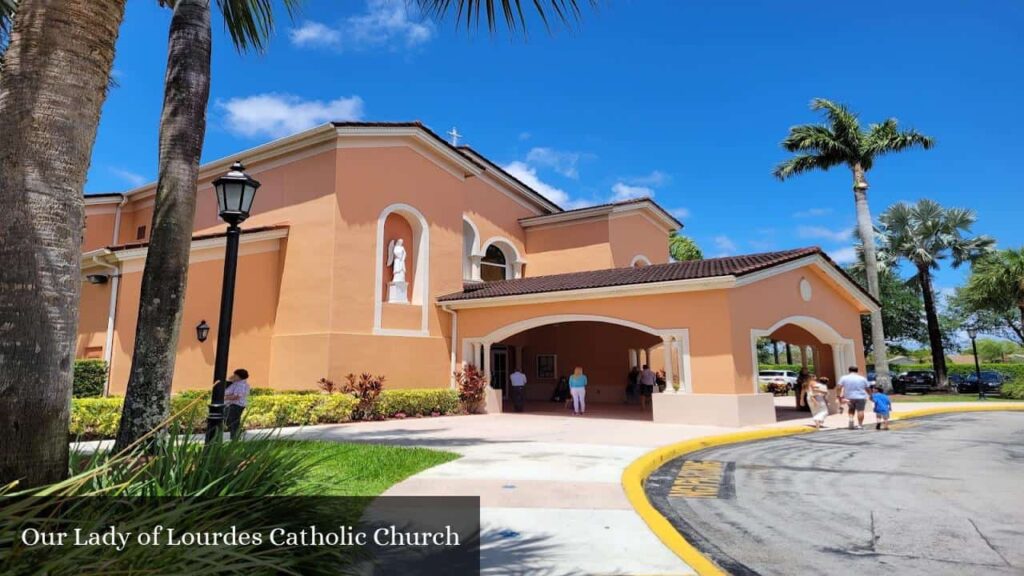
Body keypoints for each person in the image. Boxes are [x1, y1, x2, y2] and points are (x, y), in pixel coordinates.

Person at [838, 366, 870, 430]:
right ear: (857, 371)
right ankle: (860, 425)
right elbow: (867, 388)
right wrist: (871, 395)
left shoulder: (844, 378)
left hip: (849, 397)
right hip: (861, 397)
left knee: (851, 409)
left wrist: (838, 396)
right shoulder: (862, 378)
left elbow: (839, 387)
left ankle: (851, 420)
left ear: (849, 371)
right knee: (860, 410)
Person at [224, 368, 250, 440]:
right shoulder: (236, 382)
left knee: (233, 422)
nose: (233, 376)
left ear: (239, 376)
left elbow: (236, 396)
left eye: (235, 375)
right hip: (232, 405)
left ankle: (235, 438)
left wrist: (224, 398)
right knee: (230, 421)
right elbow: (228, 381)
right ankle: (235, 436)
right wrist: (231, 379)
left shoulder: (241, 385)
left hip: (236, 406)